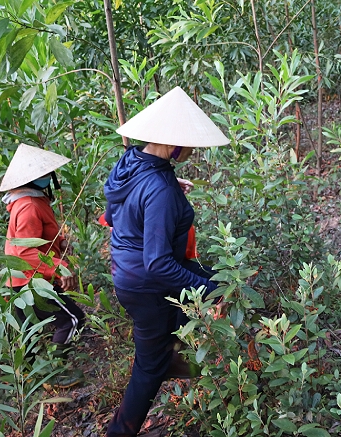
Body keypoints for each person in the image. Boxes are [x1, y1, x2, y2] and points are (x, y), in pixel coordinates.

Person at [104, 87, 229, 437]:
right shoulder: (159, 188)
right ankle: (120, 431)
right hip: (147, 282)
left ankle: (174, 356)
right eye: (190, 143)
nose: (193, 149)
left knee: (209, 284)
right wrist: (211, 291)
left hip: (128, 271)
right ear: (172, 142)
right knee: (148, 367)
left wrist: (170, 187)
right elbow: (159, 264)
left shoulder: (132, 162)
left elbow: (113, 214)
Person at [0, 143, 86, 386]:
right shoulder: (28, 206)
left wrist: (59, 244)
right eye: (43, 174)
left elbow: (37, 243)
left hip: (27, 280)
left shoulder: (33, 201)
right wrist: (58, 267)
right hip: (30, 281)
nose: (48, 177)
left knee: (30, 332)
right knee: (72, 320)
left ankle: (30, 382)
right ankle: (56, 374)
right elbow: (25, 252)